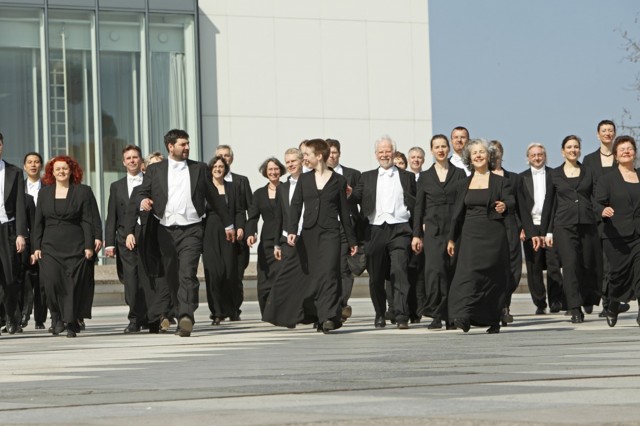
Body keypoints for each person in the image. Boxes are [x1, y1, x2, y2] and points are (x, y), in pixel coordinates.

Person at [125, 129, 235, 337]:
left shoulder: (199, 168)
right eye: (182, 144)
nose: (187, 147)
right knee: (172, 275)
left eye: (188, 144)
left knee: (187, 273)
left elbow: (213, 197)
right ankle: (178, 312)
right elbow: (141, 191)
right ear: (170, 146)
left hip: (192, 229)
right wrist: (143, 200)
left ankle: (186, 317)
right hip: (165, 231)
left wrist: (228, 224)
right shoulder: (155, 169)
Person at [286, 139, 357, 333]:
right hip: (309, 233)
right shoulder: (304, 179)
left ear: (319, 156)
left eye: (307, 154)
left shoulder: (339, 180)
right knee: (314, 276)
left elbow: (344, 212)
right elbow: (295, 206)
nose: (304, 158)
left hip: (331, 234)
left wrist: (352, 240)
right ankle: (317, 315)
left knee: (329, 274)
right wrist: (292, 230)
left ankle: (328, 317)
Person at [446, 138, 512, 334]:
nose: (478, 155)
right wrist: (451, 238)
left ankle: (493, 319)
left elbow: (510, 200)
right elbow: (457, 213)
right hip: (470, 234)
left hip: (493, 234)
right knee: (467, 275)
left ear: (489, 156)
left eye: (482, 151)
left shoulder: (501, 181)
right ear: (469, 158)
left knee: (492, 277)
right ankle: (464, 315)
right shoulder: (463, 183)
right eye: (474, 152)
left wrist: (505, 205)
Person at [350, 135, 416, 329]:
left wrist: (418, 231)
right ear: (376, 154)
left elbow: (417, 203)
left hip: (400, 228)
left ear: (394, 153)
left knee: (400, 271)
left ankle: (402, 315)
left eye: (388, 151)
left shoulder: (407, 177)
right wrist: (347, 193)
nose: (385, 155)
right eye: (381, 152)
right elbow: (354, 197)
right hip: (374, 229)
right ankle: (380, 313)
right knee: (376, 276)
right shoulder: (366, 176)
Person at [32, 156, 95, 338]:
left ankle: (71, 321)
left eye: (65, 168)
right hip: (50, 247)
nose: (61, 171)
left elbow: (87, 220)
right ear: (52, 172)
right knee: (51, 283)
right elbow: (38, 223)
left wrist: (89, 245)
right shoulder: (44, 193)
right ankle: (57, 316)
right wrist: (36, 247)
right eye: (57, 169)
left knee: (72, 285)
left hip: (75, 246)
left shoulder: (82, 191)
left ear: (71, 170)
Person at [543, 135, 602, 324]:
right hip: (563, 226)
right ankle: (575, 307)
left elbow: (596, 196)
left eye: (576, 147)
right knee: (570, 265)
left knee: (587, 264)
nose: (573, 150)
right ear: (563, 151)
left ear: (580, 150)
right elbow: (549, 204)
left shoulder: (588, 171)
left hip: (587, 223)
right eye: (569, 147)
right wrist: (547, 231)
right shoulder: (554, 174)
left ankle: (587, 298)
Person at [411, 134, 466, 329]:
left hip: (454, 229)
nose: (441, 150)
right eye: (437, 147)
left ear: (448, 149)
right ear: (432, 150)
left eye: (443, 146)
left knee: (452, 271)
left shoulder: (459, 174)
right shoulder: (425, 176)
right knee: (434, 272)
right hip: (433, 230)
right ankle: (436, 314)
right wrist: (416, 235)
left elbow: (463, 203)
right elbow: (419, 207)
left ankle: (451, 316)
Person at [583, 120, 630, 317]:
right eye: (604, 130)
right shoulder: (589, 160)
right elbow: (586, 189)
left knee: (618, 261)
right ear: (598, 134)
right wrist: (598, 210)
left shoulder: (621, 158)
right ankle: (606, 302)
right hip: (598, 218)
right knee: (603, 262)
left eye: (611, 130)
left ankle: (615, 299)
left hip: (621, 217)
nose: (607, 133)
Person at [104, 145, 152, 333]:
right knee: (131, 279)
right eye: (128, 158)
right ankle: (134, 318)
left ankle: (150, 317)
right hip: (125, 238)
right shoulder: (116, 186)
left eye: (135, 157)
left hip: (147, 236)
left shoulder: (150, 182)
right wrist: (109, 243)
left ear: (141, 160)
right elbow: (112, 216)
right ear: (124, 162)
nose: (132, 160)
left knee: (147, 277)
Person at [593, 135, 640, 327]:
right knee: (618, 276)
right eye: (622, 149)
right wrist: (603, 210)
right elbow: (597, 203)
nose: (626, 152)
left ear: (635, 153)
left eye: (630, 148)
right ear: (616, 155)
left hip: (638, 235)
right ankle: (612, 305)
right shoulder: (607, 180)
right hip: (616, 235)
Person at [262, 148, 307, 328]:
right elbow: (279, 217)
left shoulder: (311, 181)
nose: (290, 165)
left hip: (308, 237)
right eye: (287, 162)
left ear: (302, 161)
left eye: (293, 161)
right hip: (287, 239)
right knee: (287, 279)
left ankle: (307, 314)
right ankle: (288, 316)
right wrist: (276, 244)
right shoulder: (283, 187)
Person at [517, 143, 564, 314]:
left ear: (545, 156)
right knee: (534, 266)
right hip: (531, 225)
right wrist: (521, 227)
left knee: (553, 264)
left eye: (540, 154)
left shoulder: (555, 175)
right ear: (528, 158)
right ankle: (540, 303)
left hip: (551, 224)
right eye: (533, 155)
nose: (537, 158)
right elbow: (518, 206)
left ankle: (555, 301)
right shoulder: (520, 178)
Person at [203, 156, 246, 324]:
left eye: (221, 166)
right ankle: (217, 312)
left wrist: (240, 227)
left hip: (230, 233)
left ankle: (232, 309)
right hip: (210, 233)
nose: (218, 169)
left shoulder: (233, 187)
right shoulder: (204, 188)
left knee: (229, 272)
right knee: (214, 273)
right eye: (215, 166)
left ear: (225, 169)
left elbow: (240, 210)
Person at [326, 138, 363, 321]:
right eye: (329, 153)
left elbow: (361, 196)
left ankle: (341, 304)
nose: (332, 156)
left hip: (346, 225)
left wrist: (350, 194)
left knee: (343, 267)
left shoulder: (353, 174)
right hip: (326, 227)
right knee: (328, 268)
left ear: (339, 154)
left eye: (335, 152)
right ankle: (329, 305)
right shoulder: (317, 176)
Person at [216, 144, 252, 318]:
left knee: (236, 274)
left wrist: (246, 230)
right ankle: (221, 309)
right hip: (217, 235)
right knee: (220, 273)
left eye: (227, 155)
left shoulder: (241, 181)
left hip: (238, 235)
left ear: (232, 158)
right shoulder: (209, 181)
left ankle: (234, 308)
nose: (224, 158)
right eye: (220, 156)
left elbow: (249, 208)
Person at [245, 157, 285, 315]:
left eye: (276, 169)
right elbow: (253, 217)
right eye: (270, 169)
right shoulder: (259, 193)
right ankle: (267, 311)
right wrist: (251, 233)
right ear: (265, 172)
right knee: (265, 277)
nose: (273, 172)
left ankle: (282, 310)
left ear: (281, 170)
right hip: (267, 239)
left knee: (283, 276)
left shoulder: (288, 189)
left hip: (285, 238)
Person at [490, 140, 522, 325]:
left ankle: (505, 301)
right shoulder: (480, 178)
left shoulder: (514, 178)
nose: (494, 154)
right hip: (490, 229)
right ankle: (501, 308)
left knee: (513, 269)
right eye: (491, 151)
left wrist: (524, 228)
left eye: (497, 151)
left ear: (502, 153)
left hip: (510, 227)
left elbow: (521, 205)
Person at [0, 133, 27, 336]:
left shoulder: (14, 172)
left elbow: (19, 205)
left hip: (7, 229)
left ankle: (11, 315)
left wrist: (20, 234)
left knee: (9, 279)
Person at [21, 152, 46, 330]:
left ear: (41, 166)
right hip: (26, 240)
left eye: (36, 162)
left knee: (42, 281)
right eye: (29, 162)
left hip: (46, 239)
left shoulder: (49, 187)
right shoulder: (17, 189)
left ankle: (40, 318)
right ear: (24, 166)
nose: (33, 165)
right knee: (25, 279)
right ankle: (23, 315)